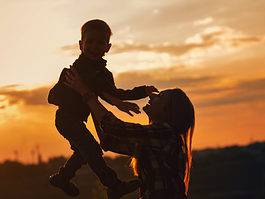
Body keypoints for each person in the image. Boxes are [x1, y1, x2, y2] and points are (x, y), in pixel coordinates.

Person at [48, 19, 157, 198]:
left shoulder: (104, 74)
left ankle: (63, 177)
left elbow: (114, 92)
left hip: (75, 120)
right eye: (89, 41)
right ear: (80, 45)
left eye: (100, 42)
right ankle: (113, 185)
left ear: (108, 47)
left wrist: (142, 91)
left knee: (85, 153)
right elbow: (95, 88)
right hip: (66, 118)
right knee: (92, 150)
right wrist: (115, 102)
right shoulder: (77, 69)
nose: (94, 46)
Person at [64, 66, 195, 199]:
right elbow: (109, 141)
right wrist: (91, 99)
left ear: (168, 111)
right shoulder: (156, 139)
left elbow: (115, 128)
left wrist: (87, 94)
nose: (151, 97)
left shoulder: (165, 133)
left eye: (160, 97)